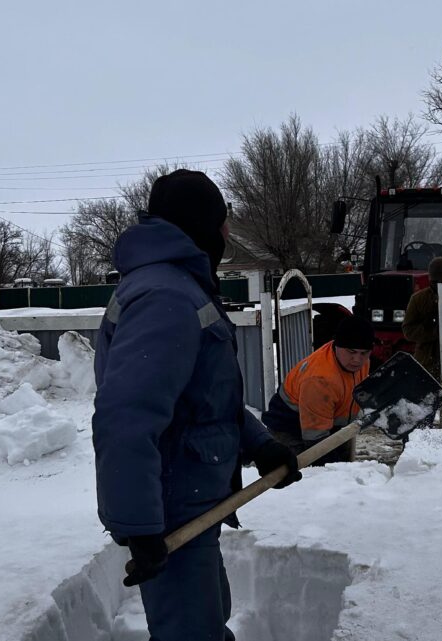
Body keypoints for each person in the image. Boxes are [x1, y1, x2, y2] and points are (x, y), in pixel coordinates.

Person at [91, 169, 302, 641]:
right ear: (203, 224)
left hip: (191, 499)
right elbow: (125, 417)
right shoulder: (165, 296)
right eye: (224, 221)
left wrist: (260, 445)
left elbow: (207, 400)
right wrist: (140, 527)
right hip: (172, 509)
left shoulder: (178, 286)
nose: (229, 233)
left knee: (206, 621)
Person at [261, 315, 373, 465]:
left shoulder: (360, 363)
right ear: (337, 345)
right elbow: (316, 442)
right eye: (351, 352)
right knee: (307, 476)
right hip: (290, 430)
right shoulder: (320, 380)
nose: (357, 359)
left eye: (364, 353)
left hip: (330, 424)